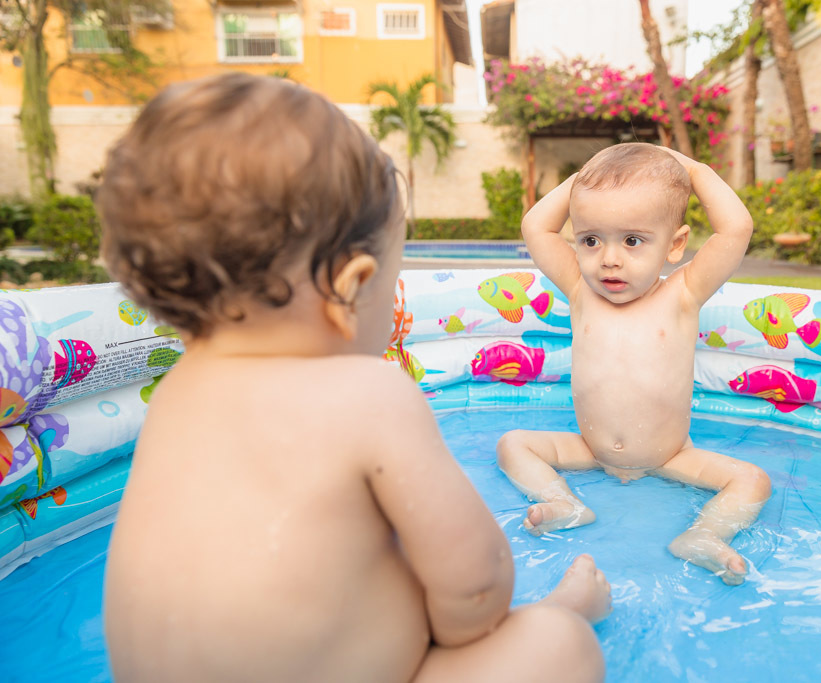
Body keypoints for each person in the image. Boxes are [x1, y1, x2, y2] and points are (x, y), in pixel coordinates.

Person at [98, 73, 610, 682]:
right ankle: (562, 614)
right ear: (351, 288)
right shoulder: (370, 396)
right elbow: (475, 592)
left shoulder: (176, 399)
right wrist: (521, 626)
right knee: (559, 643)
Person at [499, 143, 772, 586]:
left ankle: (704, 535)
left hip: (671, 455)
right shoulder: (580, 290)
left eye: (632, 240)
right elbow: (536, 227)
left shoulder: (683, 294)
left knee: (753, 481)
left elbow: (736, 227)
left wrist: (693, 168)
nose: (609, 257)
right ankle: (562, 502)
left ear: (675, 245)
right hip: (590, 449)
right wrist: (587, 177)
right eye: (590, 239)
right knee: (513, 444)